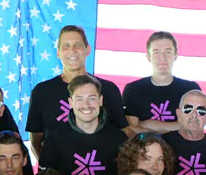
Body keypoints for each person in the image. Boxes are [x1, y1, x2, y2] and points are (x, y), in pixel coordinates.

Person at [24, 25, 128, 160]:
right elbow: (35, 140)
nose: (72, 51)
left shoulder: (109, 89)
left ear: (88, 49)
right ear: (58, 52)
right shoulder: (42, 92)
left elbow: (122, 134)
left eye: (77, 45)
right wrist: (48, 171)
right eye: (66, 46)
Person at [39, 74, 126, 175]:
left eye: (91, 98)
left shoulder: (119, 139)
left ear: (100, 101)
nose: (86, 105)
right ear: (70, 103)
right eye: (79, 99)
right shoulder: (55, 140)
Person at [123, 31, 202, 135]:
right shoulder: (133, 89)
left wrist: (146, 124)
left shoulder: (190, 89)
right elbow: (131, 131)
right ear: (148, 57)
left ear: (176, 55)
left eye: (168, 52)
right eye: (156, 52)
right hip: (144, 149)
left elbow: (193, 127)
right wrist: (175, 126)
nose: (162, 57)